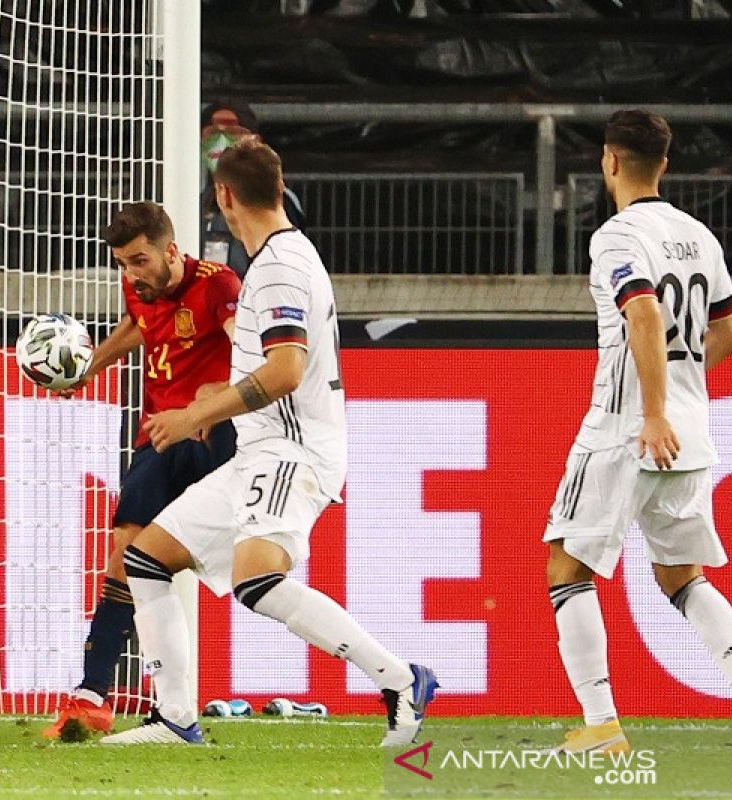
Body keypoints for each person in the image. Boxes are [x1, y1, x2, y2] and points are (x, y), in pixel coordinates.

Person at [100, 139, 437, 746]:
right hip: (263, 448)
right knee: (148, 559)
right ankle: (175, 719)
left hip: (292, 447)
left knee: (258, 580)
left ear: (224, 197)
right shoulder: (279, 259)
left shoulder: (279, 267)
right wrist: (216, 402)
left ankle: (400, 680)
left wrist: (194, 412)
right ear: (279, 189)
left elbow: (284, 371)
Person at [543, 109, 732, 756]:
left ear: (609, 162)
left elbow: (644, 315)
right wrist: (678, 388)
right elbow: (730, 333)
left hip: (627, 427)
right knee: (684, 577)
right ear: (666, 165)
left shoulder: (617, 236)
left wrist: (651, 409)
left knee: (566, 567)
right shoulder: (698, 234)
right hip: (690, 430)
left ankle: (601, 727)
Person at [42, 201, 241, 738]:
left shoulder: (219, 286)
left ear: (171, 251)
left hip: (210, 434)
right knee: (125, 551)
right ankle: (92, 695)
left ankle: (392, 676)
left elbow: (255, 354)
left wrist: (213, 396)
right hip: (157, 436)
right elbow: (139, 325)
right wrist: (88, 367)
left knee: (250, 577)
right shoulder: (140, 288)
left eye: (140, 261)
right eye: (123, 264)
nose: (132, 274)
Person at [200, 99, 307, 278]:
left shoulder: (278, 197)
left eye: (233, 132)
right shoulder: (199, 201)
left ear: (255, 140)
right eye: (212, 133)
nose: (221, 140)